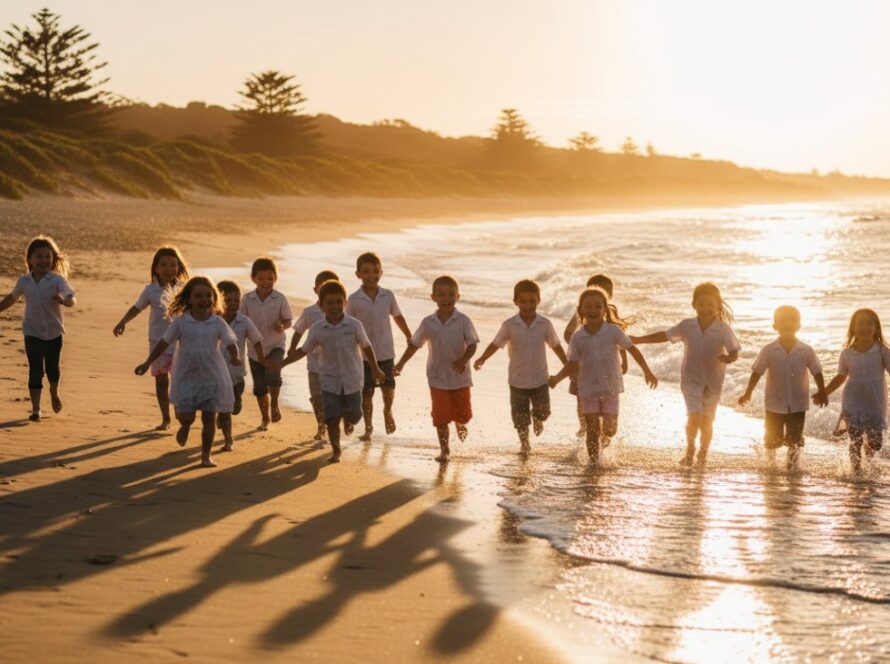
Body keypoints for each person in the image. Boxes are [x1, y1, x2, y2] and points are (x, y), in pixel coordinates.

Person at [271, 279, 385, 463]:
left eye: (339, 301)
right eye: (329, 302)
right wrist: (283, 363)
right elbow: (303, 350)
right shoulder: (317, 329)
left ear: (345, 303)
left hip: (353, 379)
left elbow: (366, 346)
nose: (334, 306)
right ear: (321, 306)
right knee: (331, 416)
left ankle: (348, 419)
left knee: (355, 415)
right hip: (329, 380)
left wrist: (376, 368)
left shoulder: (354, 325)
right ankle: (336, 450)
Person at [632, 282, 739, 466]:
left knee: (707, 421)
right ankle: (690, 450)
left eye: (710, 305)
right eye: (701, 304)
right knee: (694, 416)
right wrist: (640, 340)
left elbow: (734, 350)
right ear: (694, 305)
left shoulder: (723, 330)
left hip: (713, 383)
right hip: (691, 380)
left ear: (718, 306)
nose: (705, 309)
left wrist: (729, 358)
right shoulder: (687, 326)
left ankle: (703, 454)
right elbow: (665, 335)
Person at [135, 277, 239, 468]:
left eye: (208, 295)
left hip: (212, 375)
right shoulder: (182, 322)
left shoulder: (217, 322)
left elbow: (231, 342)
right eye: (198, 296)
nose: (204, 299)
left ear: (215, 298)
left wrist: (235, 357)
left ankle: (205, 456)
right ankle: (185, 426)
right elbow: (164, 343)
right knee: (186, 416)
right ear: (189, 299)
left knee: (209, 417)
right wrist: (147, 362)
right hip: (187, 375)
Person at [550, 287, 657, 462]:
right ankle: (594, 463)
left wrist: (647, 371)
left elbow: (632, 349)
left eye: (598, 306)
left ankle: (603, 444)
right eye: (588, 306)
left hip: (610, 388)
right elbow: (572, 364)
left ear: (605, 310)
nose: (593, 310)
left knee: (609, 431)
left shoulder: (613, 332)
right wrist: (557, 378)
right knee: (592, 430)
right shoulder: (578, 338)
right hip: (587, 389)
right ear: (581, 310)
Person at [474, 279, 567, 454]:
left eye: (532, 301)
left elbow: (555, 345)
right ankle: (525, 444)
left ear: (539, 301)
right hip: (517, 380)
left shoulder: (544, 324)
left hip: (540, 378)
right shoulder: (510, 325)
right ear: (515, 302)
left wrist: (567, 365)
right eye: (523, 301)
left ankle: (537, 419)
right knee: (520, 418)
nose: (527, 305)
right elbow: (496, 343)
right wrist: (483, 358)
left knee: (544, 412)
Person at [394, 275, 479, 462]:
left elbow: (473, 344)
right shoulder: (428, 322)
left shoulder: (464, 320)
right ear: (433, 297)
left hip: (460, 378)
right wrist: (400, 364)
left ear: (458, 297)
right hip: (437, 377)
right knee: (440, 417)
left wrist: (464, 359)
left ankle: (460, 423)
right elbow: (415, 344)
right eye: (441, 294)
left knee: (464, 416)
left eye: (450, 294)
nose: (446, 298)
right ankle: (445, 449)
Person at [738, 306, 826, 469]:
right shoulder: (769, 350)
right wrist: (747, 393)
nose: (787, 324)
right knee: (772, 440)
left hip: (798, 404)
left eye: (792, 320)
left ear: (799, 326)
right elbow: (757, 372)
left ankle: (791, 467)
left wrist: (822, 392)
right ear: (775, 326)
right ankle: (770, 466)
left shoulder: (806, 350)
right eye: (782, 320)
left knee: (795, 439)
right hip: (774, 403)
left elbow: (817, 372)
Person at [112, 246, 189, 430]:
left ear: (178, 268)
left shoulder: (184, 289)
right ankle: (165, 418)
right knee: (161, 380)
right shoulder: (151, 290)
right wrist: (123, 322)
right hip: (157, 341)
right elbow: (137, 308)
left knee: (179, 379)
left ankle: (178, 406)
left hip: (180, 342)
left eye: (173, 265)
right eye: (163, 265)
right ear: (156, 268)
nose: (169, 269)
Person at [0, 235, 76, 422]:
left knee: (52, 369)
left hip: (53, 332)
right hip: (32, 332)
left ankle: (54, 392)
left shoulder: (57, 280)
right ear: (30, 259)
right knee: (35, 370)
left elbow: (71, 298)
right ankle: (36, 409)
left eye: (47, 257)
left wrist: (65, 301)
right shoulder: (24, 281)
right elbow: (12, 297)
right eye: (39, 257)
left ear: (53, 259)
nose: (44, 261)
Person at [346, 252, 412, 442]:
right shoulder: (354, 299)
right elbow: (348, 324)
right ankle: (368, 428)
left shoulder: (387, 295)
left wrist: (408, 334)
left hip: (386, 351)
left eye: (375, 271)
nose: (371, 275)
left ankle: (388, 410)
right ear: (358, 274)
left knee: (388, 387)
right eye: (366, 272)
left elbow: (397, 316)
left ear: (381, 273)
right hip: (363, 356)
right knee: (366, 393)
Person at [817, 308, 890, 474]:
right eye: (860, 323)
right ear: (853, 328)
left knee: (876, 443)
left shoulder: (882, 351)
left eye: (869, 323)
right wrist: (824, 392)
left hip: (875, 402)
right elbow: (840, 377)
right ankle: (855, 472)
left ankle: (868, 460)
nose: (864, 327)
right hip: (852, 400)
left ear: (876, 327)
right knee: (854, 439)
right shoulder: (847, 353)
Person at [563, 274, 627, 438]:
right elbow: (567, 333)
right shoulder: (583, 313)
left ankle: (602, 432)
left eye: (607, 290)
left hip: (606, 368)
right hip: (583, 365)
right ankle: (584, 425)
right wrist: (582, 347)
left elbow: (622, 341)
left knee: (607, 401)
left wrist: (624, 361)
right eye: (599, 288)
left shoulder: (609, 313)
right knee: (581, 396)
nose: (603, 292)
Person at [239, 256, 293, 430]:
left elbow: (288, 320)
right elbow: (240, 321)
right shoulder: (247, 299)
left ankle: (275, 403)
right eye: (261, 278)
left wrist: (282, 326)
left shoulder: (280, 298)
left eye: (270, 278)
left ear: (276, 278)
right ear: (253, 279)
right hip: (255, 350)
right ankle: (265, 418)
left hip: (276, 345)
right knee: (260, 385)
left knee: (273, 374)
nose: (266, 282)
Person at [289, 269, 339, 441]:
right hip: (314, 364)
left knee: (333, 396)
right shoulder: (310, 312)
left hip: (336, 365)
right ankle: (321, 425)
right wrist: (292, 349)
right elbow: (298, 330)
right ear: (315, 290)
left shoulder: (342, 311)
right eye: (322, 288)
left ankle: (335, 423)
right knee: (317, 397)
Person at [216, 280, 264, 451]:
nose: (234, 304)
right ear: (219, 301)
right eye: (229, 300)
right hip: (217, 374)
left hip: (237, 374)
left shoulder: (244, 321)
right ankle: (228, 440)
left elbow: (257, 340)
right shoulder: (212, 320)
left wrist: (261, 358)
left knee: (234, 408)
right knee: (225, 408)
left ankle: (224, 414)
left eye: (237, 300)